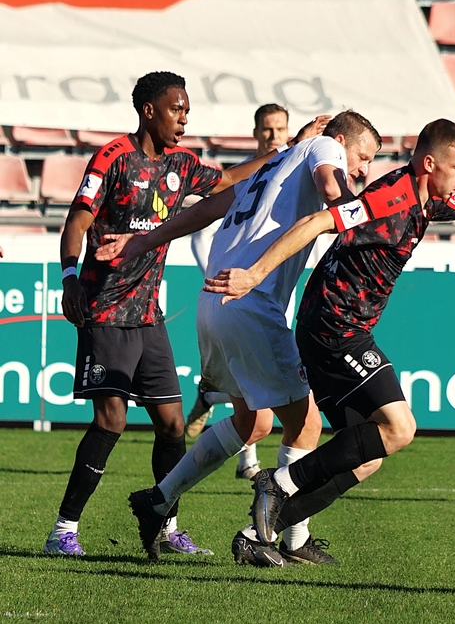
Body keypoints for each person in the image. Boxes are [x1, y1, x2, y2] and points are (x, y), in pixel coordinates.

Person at [204, 119, 455, 561]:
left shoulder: (432, 198)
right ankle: (278, 483)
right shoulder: (389, 199)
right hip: (333, 327)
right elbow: (318, 221)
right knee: (400, 428)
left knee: (367, 457)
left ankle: (259, 536)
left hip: (344, 326)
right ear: (430, 163)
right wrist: (254, 275)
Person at [97, 110, 379, 564]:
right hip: (250, 302)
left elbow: (207, 208)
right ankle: (292, 540)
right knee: (306, 424)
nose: (363, 170)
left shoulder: (274, 163)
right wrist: (369, 216)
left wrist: (142, 241)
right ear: (342, 141)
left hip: (214, 303)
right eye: (363, 157)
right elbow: (332, 188)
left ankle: (158, 500)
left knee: (254, 423)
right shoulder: (326, 147)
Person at [44, 71, 291, 557]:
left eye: (187, 111)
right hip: (104, 309)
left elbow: (229, 179)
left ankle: (167, 525)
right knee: (111, 420)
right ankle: (63, 530)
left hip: (148, 315)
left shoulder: (181, 163)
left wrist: (287, 153)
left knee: (173, 424)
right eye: (177, 109)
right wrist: (69, 277)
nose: (184, 119)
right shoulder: (112, 158)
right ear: (148, 110)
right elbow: (77, 220)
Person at [185, 104, 315, 484]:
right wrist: (217, 275)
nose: (273, 136)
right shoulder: (252, 171)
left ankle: (208, 402)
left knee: (254, 406)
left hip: (273, 294)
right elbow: (202, 232)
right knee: (289, 417)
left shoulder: (288, 171)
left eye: (280, 129)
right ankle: (267, 486)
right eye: (267, 129)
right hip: (243, 293)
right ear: (256, 132)